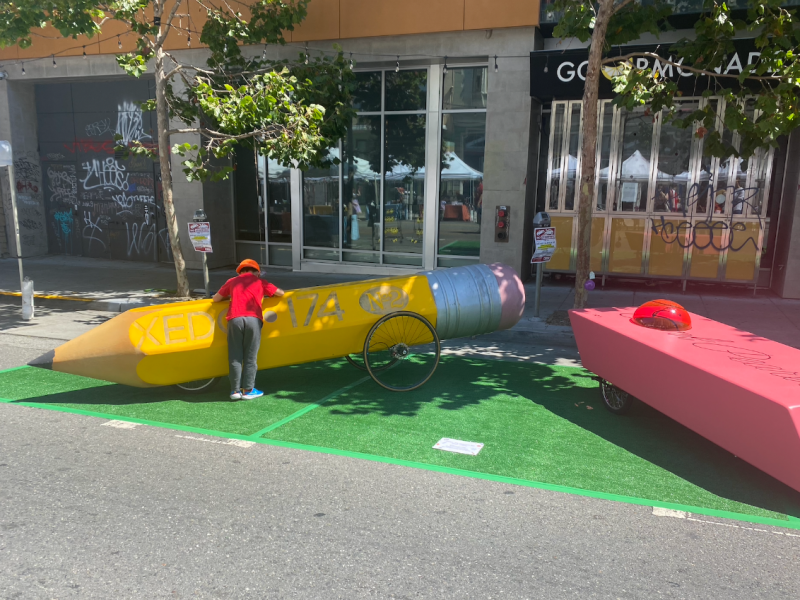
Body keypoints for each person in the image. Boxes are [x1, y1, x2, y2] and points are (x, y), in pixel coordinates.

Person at [213, 259, 285, 401]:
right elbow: (280, 293)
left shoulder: (232, 281)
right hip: (253, 320)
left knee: (235, 356)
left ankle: (234, 391)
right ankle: (248, 390)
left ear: (240, 271)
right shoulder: (260, 282)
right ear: (257, 272)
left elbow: (216, 299)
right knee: (250, 356)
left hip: (234, 319)